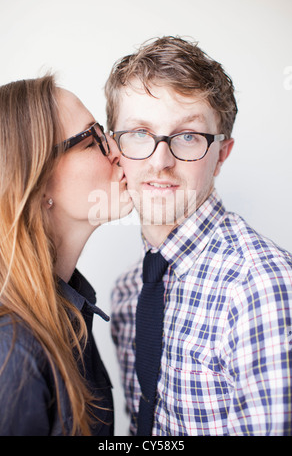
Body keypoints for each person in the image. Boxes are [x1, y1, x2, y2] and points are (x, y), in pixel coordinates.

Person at [105, 36, 292, 436]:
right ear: (114, 148)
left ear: (221, 154)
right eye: (139, 133)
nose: (160, 162)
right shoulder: (125, 294)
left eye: (188, 136)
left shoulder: (260, 287)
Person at [0, 75, 132, 436]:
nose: (118, 152)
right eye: (91, 142)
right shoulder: (8, 351)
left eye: (106, 133)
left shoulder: (68, 312)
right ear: (35, 182)